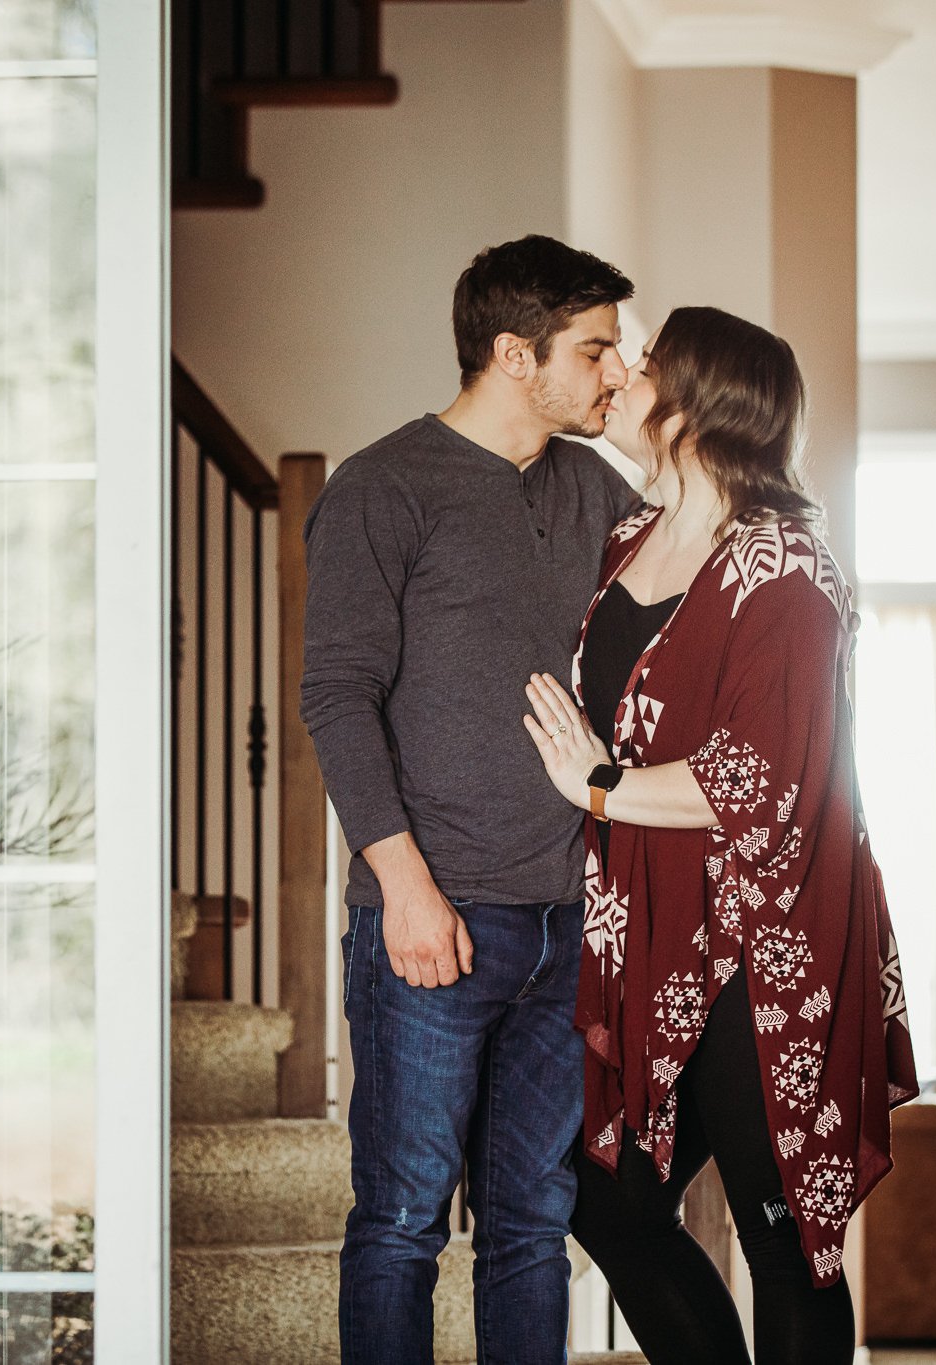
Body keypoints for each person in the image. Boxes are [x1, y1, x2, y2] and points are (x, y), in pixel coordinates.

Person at [520, 305, 920, 1364]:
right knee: (600, 1199)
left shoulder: (789, 566)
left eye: (644, 367)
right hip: (655, 939)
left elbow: (751, 777)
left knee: (781, 1242)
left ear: (695, 406)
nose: (622, 379)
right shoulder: (626, 541)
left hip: (770, 940)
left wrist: (596, 787)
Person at [300, 235, 642, 1365]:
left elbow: (694, 574)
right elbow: (336, 698)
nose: (614, 374)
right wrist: (402, 888)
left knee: (530, 1228)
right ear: (512, 353)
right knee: (401, 1222)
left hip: (566, 922)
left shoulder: (591, 485)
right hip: (433, 921)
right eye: (594, 350)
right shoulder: (382, 487)